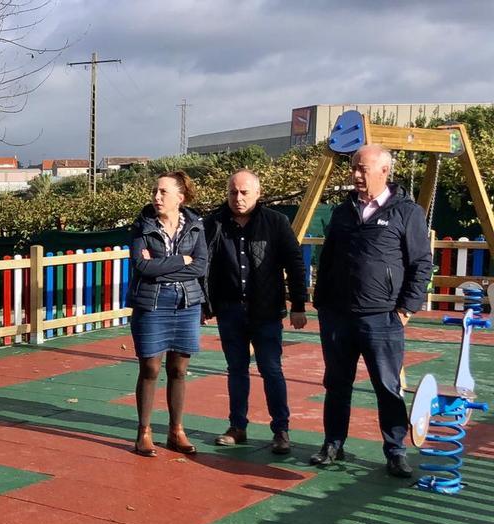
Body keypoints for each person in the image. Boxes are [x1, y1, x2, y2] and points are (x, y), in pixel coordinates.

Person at [312, 144, 432, 477]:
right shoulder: (342, 211)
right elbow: (328, 258)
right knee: (337, 383)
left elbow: (421, 264)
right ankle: (333, 444)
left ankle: (395, 451)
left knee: (386, 386)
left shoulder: (407, 213)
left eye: (363, 169)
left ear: (384, 171)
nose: (356, 175)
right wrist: (321, 303)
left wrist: (406, 309)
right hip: (337, 315)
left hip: (382, 317)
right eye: (354, 168)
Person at [203, 171, 308, 454]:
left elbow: (295, 264)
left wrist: (298, 305)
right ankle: (237, 426)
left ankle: (281, 430)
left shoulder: (276, 222)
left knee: (271, 369)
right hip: (230, 310)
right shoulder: (213, 223)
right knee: (236, 369)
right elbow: (204, 266)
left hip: (266, 310)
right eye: (233, 193)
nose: (238, 198)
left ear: (258, 193)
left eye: (244, 193)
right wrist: (205, 305)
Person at [128, 171, 208, 457]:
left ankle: (176, 431)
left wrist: (161, 265)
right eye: (155, 191)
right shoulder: (143, 226)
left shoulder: (196, 225)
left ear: (180, 197)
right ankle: (144, 432)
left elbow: (200, 267)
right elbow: (141, 267)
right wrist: (179, 261)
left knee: (179, 370)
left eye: (163, 192)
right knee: (150, 368)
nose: (156, 196)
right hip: (152, 304)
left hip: (186, 303)